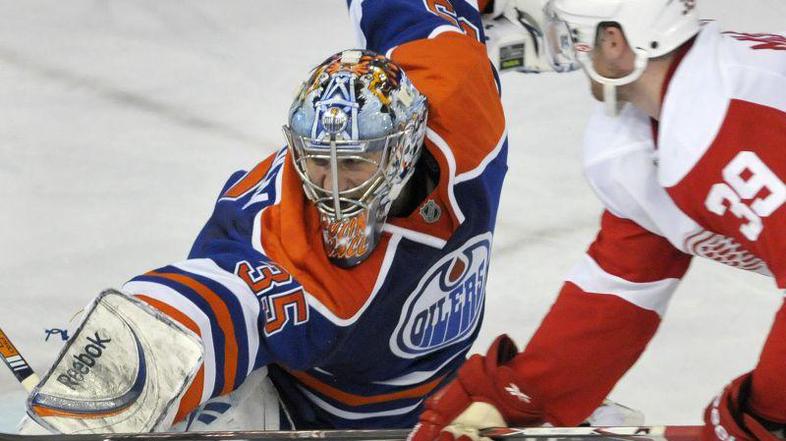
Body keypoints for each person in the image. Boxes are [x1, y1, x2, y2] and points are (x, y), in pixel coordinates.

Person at [19, 0, 509, 434]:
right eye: (319, 161)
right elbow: (202, 308)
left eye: (355, 162)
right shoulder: (288, 247)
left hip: (444, 399)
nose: (334, 190)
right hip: (292, 410)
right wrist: (101, 383)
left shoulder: (462, 97)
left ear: (403, 149)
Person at [409, 1, 786, 441]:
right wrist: (519, 396)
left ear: (613, 41)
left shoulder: (729, 125)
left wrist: (765, 416)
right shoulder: (659, 125)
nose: (569, 52)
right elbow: (622, 288)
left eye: (571, 34)